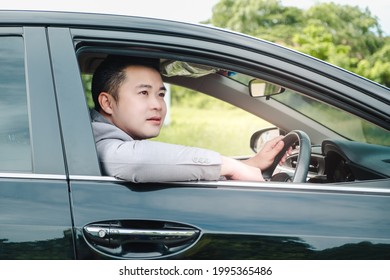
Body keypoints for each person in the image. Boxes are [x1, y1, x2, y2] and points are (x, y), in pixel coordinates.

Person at [90, 55, 289, 183]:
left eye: (160, 94)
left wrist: (251, 163)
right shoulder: (96, 144)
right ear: (107, 103)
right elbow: (135, 160)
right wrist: (230, 166)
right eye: (143, 93)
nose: (157, 105)